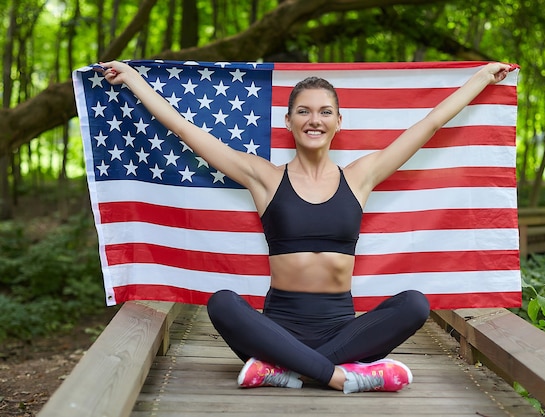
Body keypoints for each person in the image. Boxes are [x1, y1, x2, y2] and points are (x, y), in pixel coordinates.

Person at [100, 60, 513, 394]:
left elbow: (429, 126)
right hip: (276, 327)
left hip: (344, 329)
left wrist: (479, 79)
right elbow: (185, 131)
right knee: (222, 302)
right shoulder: (264, 177)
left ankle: (283, 371)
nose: (314, 119)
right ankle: (338, 376)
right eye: (304, 111)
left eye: (324, 112)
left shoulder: (360, 176)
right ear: (288, 121)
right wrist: (134, 80)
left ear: (338, 122)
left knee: (415, 305)